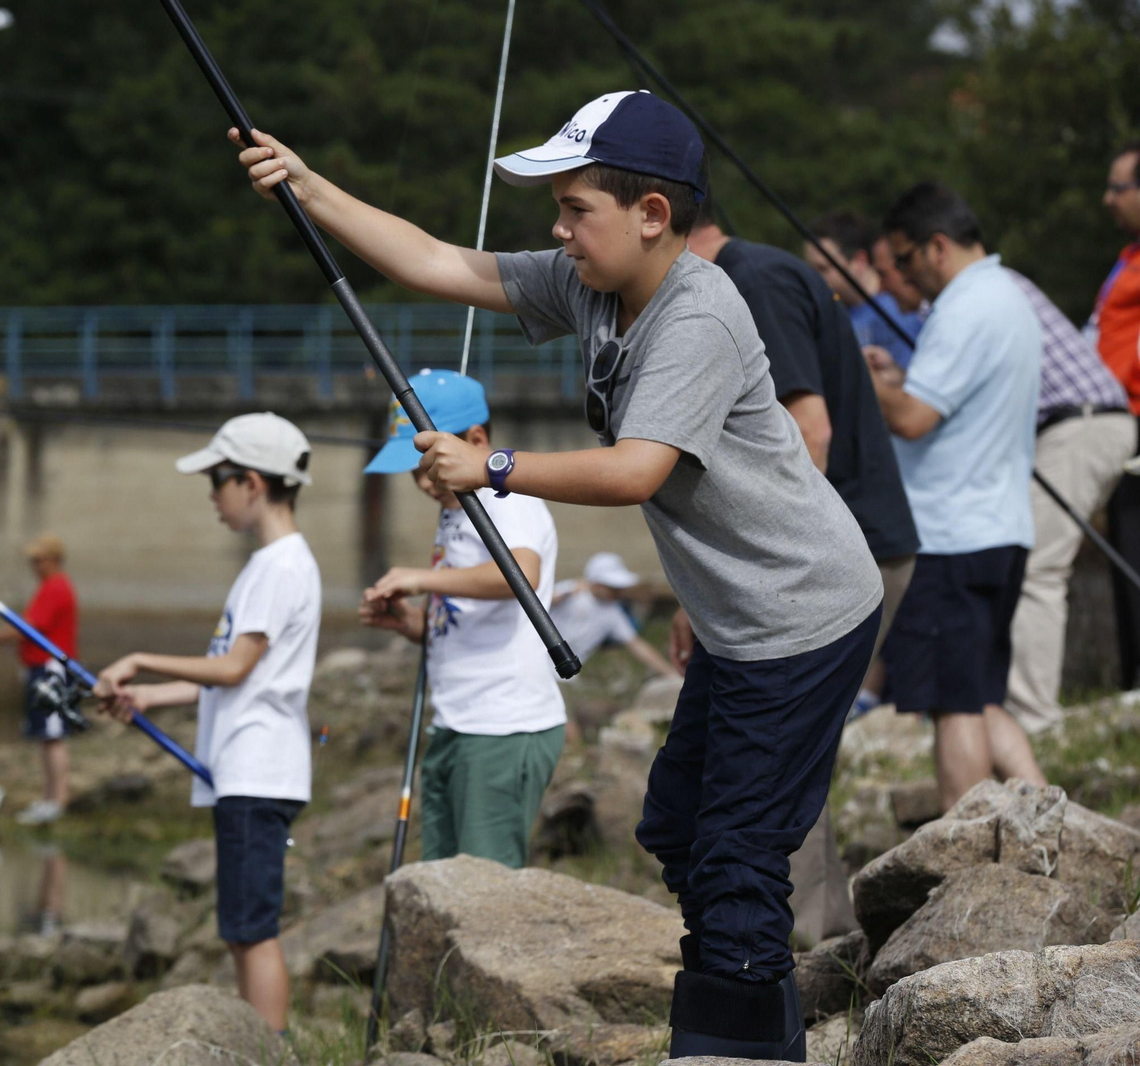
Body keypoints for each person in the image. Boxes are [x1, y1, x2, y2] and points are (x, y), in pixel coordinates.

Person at [230, 88, 883, 1061]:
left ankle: (723, 1044)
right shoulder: (591, 283)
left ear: (650, 214)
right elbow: (440, 262)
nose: (558, 226)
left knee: (738, 853)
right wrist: (309, 184)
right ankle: (757, 1028)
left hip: (802, 618)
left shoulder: (697, 315)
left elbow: (635, 472)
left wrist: (489, 466)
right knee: (674, 828)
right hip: (737, 615)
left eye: (576, 207)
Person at [687, 206, 919, 947]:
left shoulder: (748, 284)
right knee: (791, 741)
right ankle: (820, 928)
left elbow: (806, 433)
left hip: (839, 554)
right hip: (842, 548)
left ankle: (811, 939)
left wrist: (742, 571)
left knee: (783, 738)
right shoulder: (755, 275)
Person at [93, 412, 320, 1035]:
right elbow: (228, 673)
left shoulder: (279, 567)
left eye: (216, 480)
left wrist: (137, 658)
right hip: (249, 771)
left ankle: (268, 1049)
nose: (211, 496)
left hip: (258, 771)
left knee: (252, 932)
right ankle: (257, 1043)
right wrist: (147, 698)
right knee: (242, 930)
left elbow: (234, 668)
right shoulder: (271, 564)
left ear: (251, 482)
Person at [864, 182, 1048, 810]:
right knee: (978, 693)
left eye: (906, 260)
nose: (904, 278)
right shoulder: (1010, 298)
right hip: (1000, 529)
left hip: (951, 537)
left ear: (937, 247)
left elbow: (914, 418)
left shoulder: (966, 308)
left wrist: (860, 381)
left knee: (951, 705)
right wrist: (896, 380)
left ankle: (964, 860)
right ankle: (1052, 817)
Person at [358, 369, 566, 868]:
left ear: (475, 440)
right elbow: (463, 618)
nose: (422, 483)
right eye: (413, 471)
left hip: (502, 725)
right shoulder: (455, 507)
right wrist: (410, 623)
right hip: (456, 721)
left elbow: (522, 575)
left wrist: (422, 579)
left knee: (485, 890)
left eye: (427, 465)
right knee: (443, 881)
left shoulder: (504, 494)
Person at [1002, 267, 1134, 734]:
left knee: (1037, 568)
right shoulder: (996, 283)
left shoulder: (965, 297)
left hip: (1080, 425)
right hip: (1089, 421)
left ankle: (1035, 720)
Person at [0, 533, 79, 826]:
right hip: (39, 669)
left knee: (53, 735)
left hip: (51, 672)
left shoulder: (56, 588)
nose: (34, 566)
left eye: (39, 560)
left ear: (54, 560)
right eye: (32, 561)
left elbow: (29, 628)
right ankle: (49, 799)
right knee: (45, 735)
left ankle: (58, 800)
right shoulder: (48, 587)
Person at [1091, 142, 1140, 691]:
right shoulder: (1127, 258)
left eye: (1119, 187)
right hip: (1120, 420)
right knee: (1127, 548)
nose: (1108, 199)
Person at [804, 210, 924, 367]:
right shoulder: (829, 314)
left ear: (860, 261)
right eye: (811, 270)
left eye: (823, 268)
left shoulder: (898, 310)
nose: (815, 279)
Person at [551, 551, 678, 677]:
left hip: (564, 674)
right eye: (613, 588)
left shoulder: (613, 613)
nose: (618, 593)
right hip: (538, 661)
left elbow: (637, 645)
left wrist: (670, 673)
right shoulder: (572, 591)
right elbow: (544, 602)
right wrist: (567, 592)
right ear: (597, 584)